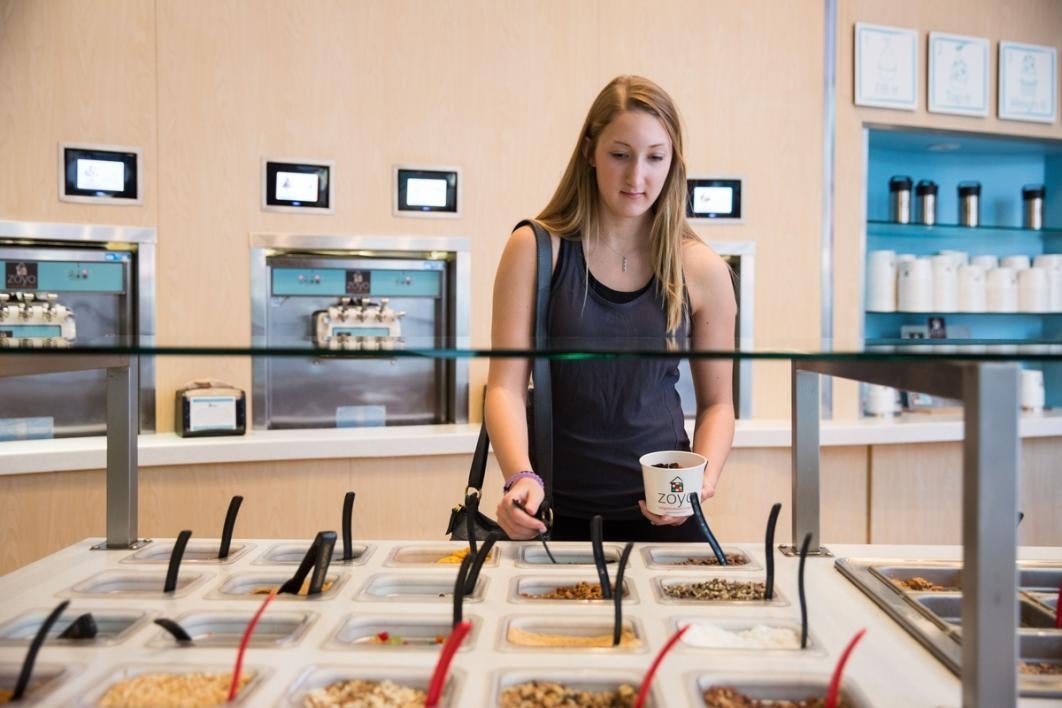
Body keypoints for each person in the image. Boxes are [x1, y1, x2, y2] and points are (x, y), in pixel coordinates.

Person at [487, 75, 737, 542]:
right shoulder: (534, 250)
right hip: (553, 516)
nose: (636, 176)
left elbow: (719, 405)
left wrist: (700, 485)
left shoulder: (702, 268)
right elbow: (504, 387)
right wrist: (521, 475)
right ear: (589, 153)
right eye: (619, 155)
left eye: (655, 157)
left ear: (673, 163)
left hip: (669, 520)